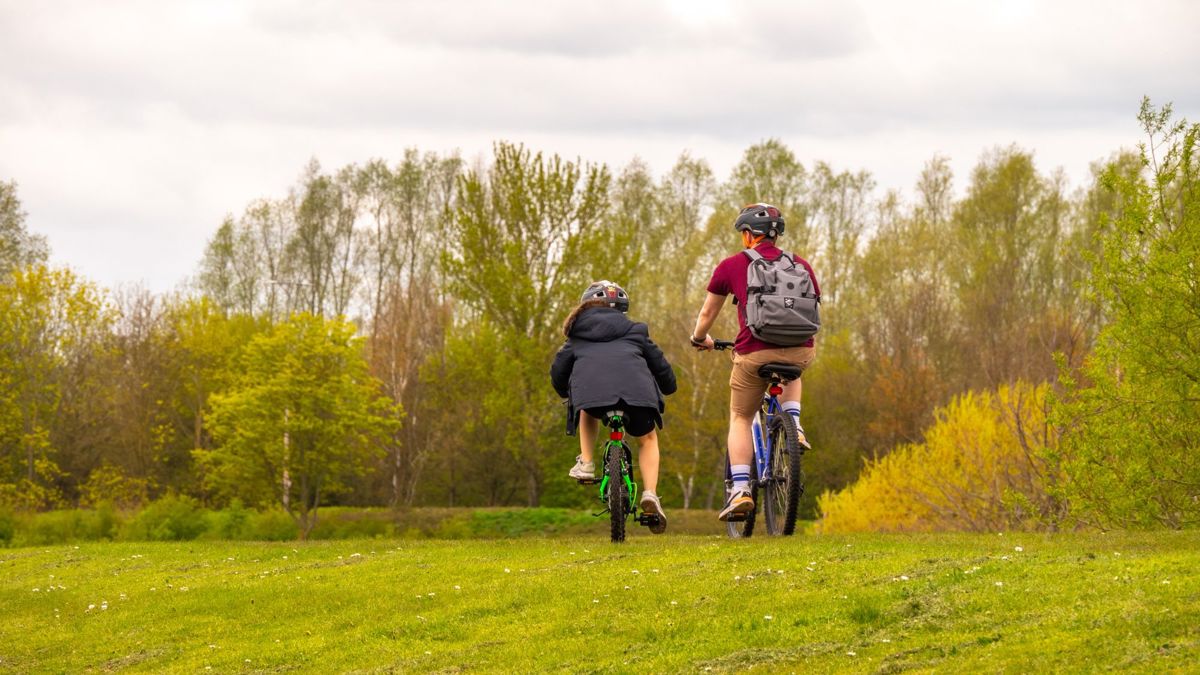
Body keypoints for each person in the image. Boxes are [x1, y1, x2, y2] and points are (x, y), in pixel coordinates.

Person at [689, 203, 819, 522]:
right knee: (792, 368)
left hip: (754, 352)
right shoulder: (801, 264)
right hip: (802, 349)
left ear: (749, 235)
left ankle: (742, 489)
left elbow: (707, 314)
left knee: (740, 417)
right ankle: (794, 424)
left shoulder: (733, 265)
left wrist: (699, 338)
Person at [550, 280, 676, 533]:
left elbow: (558, 371)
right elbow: (660, 366)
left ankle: (586, 462)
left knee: (586, 408)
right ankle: (650, 494)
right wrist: (668, 386)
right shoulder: (636, 331)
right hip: (637, 395)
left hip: (594, 398)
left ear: (586, 306)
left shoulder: (577, 335)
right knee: (648, 439)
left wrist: (567, 393)